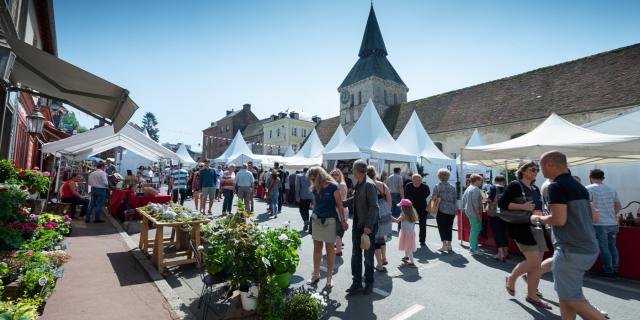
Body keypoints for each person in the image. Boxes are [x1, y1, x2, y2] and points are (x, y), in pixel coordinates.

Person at [529, 151, 604, 320]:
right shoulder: (580, 186)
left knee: (571, 297)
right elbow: (594, 216)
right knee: (565, 296)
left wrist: (537, 219)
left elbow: (558, 219)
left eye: (540, 167)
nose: (540, 172)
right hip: (585, 246)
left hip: (571, 249)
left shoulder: (556, 186)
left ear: (549, 164)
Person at [501, 161, 551, 310]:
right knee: (532, 260)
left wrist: (542, 215)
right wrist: (522, 206)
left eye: (537, 170)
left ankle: (531, 294)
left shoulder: (535, 188)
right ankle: (512, 277)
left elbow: (537, 207)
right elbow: (503, 205)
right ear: (523, 170)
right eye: (533, 169)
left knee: (537, 261)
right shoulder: (515, 185)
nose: (536, 172)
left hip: (537, 225)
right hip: (521, 226)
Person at [306, 166, 348, 288]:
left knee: (330, 249)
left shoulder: (333, 186)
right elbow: (315, 204)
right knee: (317, 248)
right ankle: (316, 274)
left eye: (312, 178)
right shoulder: (315, 188)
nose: (311, 181)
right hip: (317, 220)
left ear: (318, 176)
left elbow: (340, 206)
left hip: (330, 221)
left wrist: (343, 221)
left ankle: (329, 277)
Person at [344, 160, 379, 295]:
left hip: (367, 226)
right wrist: (344, 203)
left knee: (368, 256)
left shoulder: (369, 185)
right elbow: (356, 199)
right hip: (358, 225)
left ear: (357, 170)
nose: (352, 171)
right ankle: (357, 282)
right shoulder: (360, 183)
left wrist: (369, 226)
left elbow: (374, 207)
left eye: (353, 169)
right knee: (356, 255)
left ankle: (369, 282)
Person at [586, 169, 622, 278]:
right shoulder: (611, 189)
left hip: (599, 223)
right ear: (603, 178)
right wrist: (611, 214)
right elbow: (618, 206)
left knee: (603, 247)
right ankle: (615, 268)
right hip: (612, 223)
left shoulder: (588, 189)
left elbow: (586, 206)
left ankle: (609, 270)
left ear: (590, 177)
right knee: (612, 246)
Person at [367, 166, 392, 273]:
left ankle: (379, 265)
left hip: (374, 212)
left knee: (376, 239)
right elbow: (389, 200)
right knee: (382, 237)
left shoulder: (367, 185)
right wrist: (387, 211)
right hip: (385, 210)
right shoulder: (382, 184)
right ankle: (384, 258)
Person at [433, 168, 457, 253]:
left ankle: (444, 245)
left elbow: (434, 198)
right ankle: (449, 245)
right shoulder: (452, 187)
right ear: (448, 176)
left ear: (439, 176)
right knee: (449, 227)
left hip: (441, 209)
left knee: (442, 227)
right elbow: (455, 199)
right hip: (452, 209)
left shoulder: (437, 186)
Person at [404, 174, 431, 246]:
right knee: (410, 224)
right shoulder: (408, 186)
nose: (416, 181)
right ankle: (410, 240)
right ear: (412, 180)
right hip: (411, 207)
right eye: (414, 179)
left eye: (418, 179)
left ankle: (422, 240)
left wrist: (419, 198)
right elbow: (406, 196)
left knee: (422, 224)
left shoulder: (425, 187)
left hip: (422, 207)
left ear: (421, 180)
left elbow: (427, 194)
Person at [487, 175, 509, 261]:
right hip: (505, 213)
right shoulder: (506, 188)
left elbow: (489, 200)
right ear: (503, 181)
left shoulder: (493, 187)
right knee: (504, 233)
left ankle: (501, 254)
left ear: (495, 180)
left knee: (497, 233)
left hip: (495, 213)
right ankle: (506, 252)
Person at [463, 174, 484, 254]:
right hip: (474, 212)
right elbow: (475, 204)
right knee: (475, 230)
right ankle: (473, 248)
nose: (481, 182)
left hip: (469, 212)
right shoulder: (475, 189)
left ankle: (474, 247)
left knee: (474, 230)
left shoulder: (468, 188)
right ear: (476, 181)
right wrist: (478, 214)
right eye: (480, 180)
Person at [393, 199, 418, 267]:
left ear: (404, 207)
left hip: (405, 232)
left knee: (409, 248)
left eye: (401, 206)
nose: (400, 207)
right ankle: (406, 257)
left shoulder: (403, 214)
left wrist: (389, 216)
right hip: (411, 233)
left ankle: (412, 262)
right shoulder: (413, 213)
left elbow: (397, 221)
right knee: (407, 245)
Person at [330, 169, 349, 255]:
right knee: (338, 229)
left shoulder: (339, 185)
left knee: (338, 229)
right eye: (333, 174)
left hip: (339, 209)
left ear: (340, 175)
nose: (334, 176)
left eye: (336, 174)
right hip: (341, 209)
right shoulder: (340, 184)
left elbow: (338, 200)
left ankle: (338, 250)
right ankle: (338, 244)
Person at [296, 168, 314, 232]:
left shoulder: (299, 176)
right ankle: (306, 223)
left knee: (301, 210)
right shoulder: (312, 177)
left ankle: (306, 221)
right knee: (306, 209)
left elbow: (297, 187)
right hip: (310, 196)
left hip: (303, 196)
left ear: (303, 170)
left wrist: (297, 196)